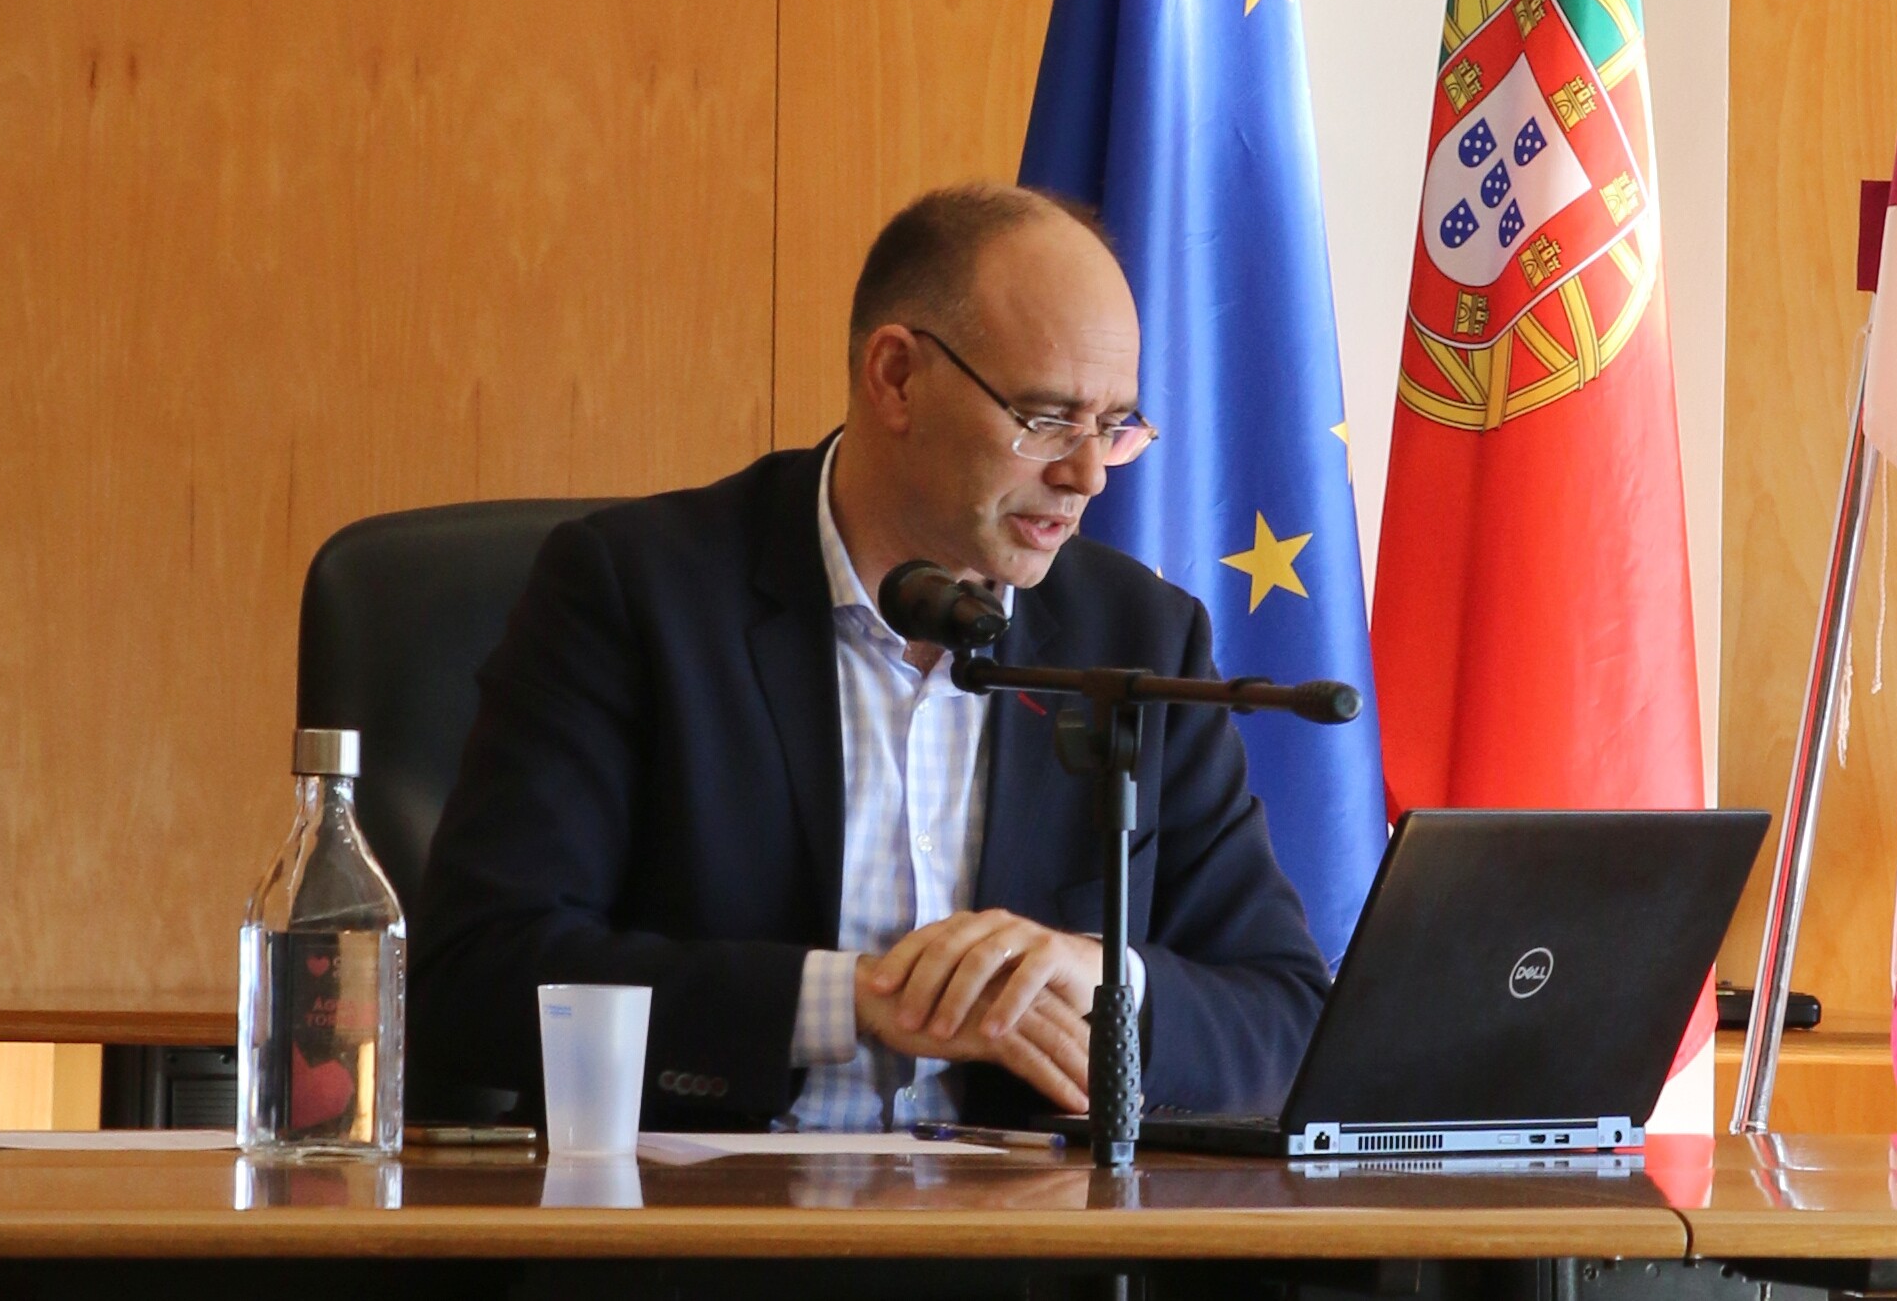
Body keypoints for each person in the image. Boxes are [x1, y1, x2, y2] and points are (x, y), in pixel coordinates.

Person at [409, 183, 1329, 1131]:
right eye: (1046, 418)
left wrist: (1108, 979)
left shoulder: (1137, 638)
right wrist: (842, 1001)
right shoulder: (637, 594)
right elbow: (472, 976)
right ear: (895, 378)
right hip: (707, 1213)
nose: (1086, 474)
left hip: (1025, 1221)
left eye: (1115, 426)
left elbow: (1291, 1019)